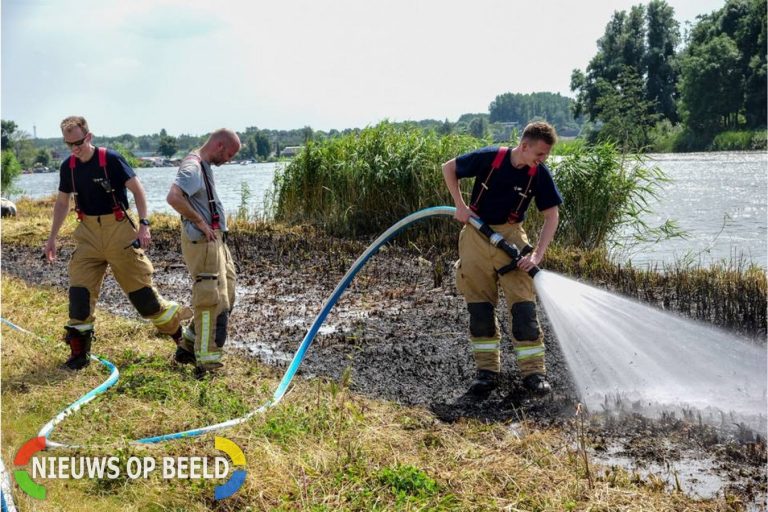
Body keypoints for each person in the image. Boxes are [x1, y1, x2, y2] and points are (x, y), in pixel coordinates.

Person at [44, 116, 190, 370]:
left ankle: (183, 343)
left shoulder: (110, 159)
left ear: (88, 137)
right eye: (69, 145)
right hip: (87, 234)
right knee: (79, 294)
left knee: (145, 300)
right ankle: (79, 355)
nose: (74, 149)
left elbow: (138, 189)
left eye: (78, 143)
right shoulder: (68, 166)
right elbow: (61, 202)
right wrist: (52, 238)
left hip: (119, 231)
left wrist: (144, 224)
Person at [442, 121, 562, 398]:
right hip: (474, 234)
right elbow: (449, 168)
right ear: (524, 146)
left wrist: (535, 256)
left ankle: (534, 374)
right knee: (480, 310)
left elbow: (551, 216)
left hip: (511, 238)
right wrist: (460, 206)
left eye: (545, 155)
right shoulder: (490, 157)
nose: (543, 160)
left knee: (524, 311)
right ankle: (486, 374)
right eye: (540, 154)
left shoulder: (539, 174)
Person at [166, 128, 240, 376]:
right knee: (211, 298)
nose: (229, 160)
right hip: (203, 241)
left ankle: (187, 345)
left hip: (216, 240)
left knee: (227, 290)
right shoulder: (193, 167)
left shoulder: (204, 165)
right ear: (219, 145)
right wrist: (199, 221)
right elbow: (174, 197)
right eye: (229, 154)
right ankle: (205, 362)